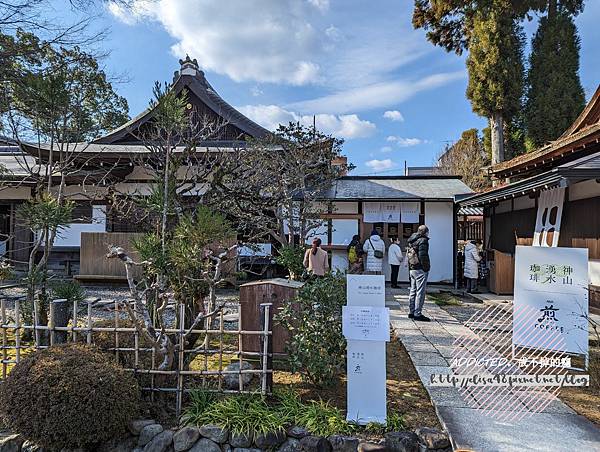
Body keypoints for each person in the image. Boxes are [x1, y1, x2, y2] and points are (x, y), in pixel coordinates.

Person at [406, 225, 431, 321]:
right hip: (420, 269)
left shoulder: (412, 240)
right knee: (420, 292)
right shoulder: (423, 240)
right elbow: (423, 256)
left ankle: (411, 312)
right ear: (425, 232)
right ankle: (418, 313)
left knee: (413, 291)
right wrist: (426, 268)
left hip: (412, 268)